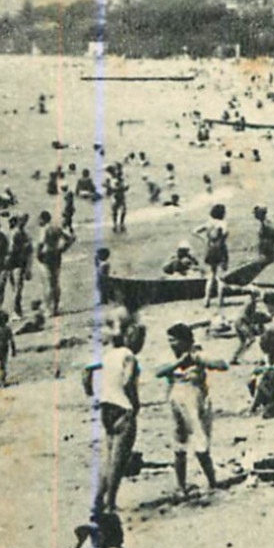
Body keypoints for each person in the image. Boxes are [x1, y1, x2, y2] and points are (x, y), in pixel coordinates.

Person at [151, 323, 227, 496]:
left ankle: (212, 481)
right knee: (179, 440)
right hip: (175, 397)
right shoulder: (169, 356)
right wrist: (179, 362)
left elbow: (222, 364)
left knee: (200, 439)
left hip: (194, 396)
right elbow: (158, 372)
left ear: (185, 341)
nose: (171, 344)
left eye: (175, 340)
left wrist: (199, 359)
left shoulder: (196, 353)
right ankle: (181, 486)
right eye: (169, 340)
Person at [80, 313, 140, 517]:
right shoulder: (129, 355)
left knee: (109, 457)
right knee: (119, 460)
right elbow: (128, 381)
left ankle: (98, 500)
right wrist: (133, 402)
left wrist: (90, 392)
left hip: (106, 407)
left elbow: (86, 372)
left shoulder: (107, 355)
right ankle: (110, 503)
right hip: (123, 407)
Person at [33, 210, 74, 316]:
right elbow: (70, 238)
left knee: (48, 283)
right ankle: (55, 307)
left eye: (39, 219)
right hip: (56, 254)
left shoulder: (44, 229)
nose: (38, 221)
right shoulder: (56, 228)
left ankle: (48, 309)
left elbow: (41, 243)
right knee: (55, 282)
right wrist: (63, 248)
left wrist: (37, 255)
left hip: (46, 256)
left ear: (43, 219)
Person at [194, 203, 230, 309]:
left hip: (210, 248)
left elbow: (195, 231)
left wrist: (204, 239)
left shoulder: (208, 223)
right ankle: (220, 300)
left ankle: (207, 300)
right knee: (221, 277)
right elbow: (225, 232)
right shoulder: (222, 223)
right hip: (220, 248)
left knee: (211, 275)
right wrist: (222, 238)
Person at [6, 215, 32, 317]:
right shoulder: (16, 234)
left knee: (17, 287)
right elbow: (11, 249)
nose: (23, 223)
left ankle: (17, 310)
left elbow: (29, 250)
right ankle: (16, 310)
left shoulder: (23, 234)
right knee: (16, 287)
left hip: (19, 263)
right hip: (14, 262)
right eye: (21, 221)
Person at [0, 309, 15, 387]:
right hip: (4, 348)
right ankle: (2, 380)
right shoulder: (7, 329)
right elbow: (11, 340)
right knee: (3, 364)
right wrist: (14, 350)